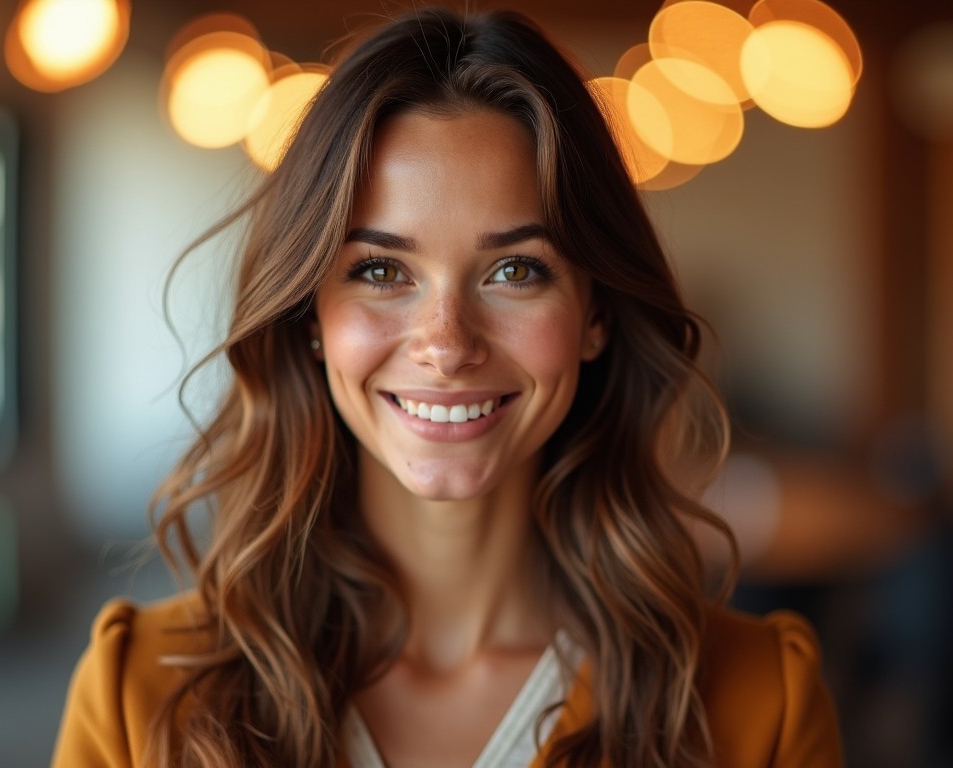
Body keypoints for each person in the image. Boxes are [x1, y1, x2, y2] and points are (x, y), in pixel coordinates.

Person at [52, 7, 843, 768]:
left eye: (515, 270)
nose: (447, 344)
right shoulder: (139, 693)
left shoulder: (759, 703)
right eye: (381, 271)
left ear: (595, 313)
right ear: (310, 319)